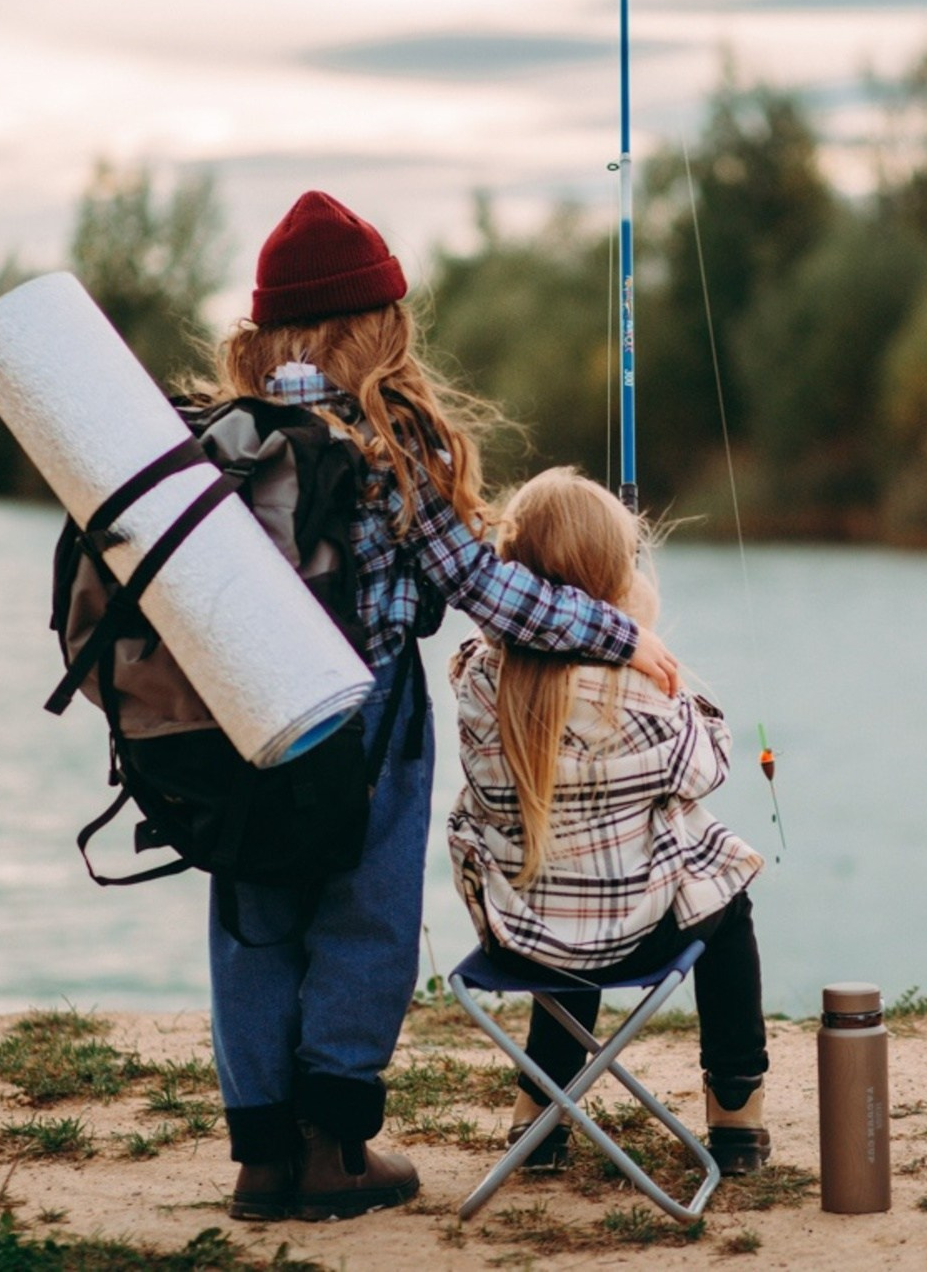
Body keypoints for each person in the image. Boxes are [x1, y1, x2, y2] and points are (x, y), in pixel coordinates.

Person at [206, 193, 680, 1223]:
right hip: (364, 718)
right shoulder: (384, 442)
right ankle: (333, 1146)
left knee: (254, 918)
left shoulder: (223, 442)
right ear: (367, 329)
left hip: (244, 719)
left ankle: (262, 1155)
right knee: (362, 913)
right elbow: (485, 589)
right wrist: (619, 634)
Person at [445, 468, 772, 1176]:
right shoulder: (636, 691)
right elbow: (708, 767)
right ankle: (737, 1112)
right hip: (631, 933)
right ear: (612, 586)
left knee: (567, 888)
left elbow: (503, 656)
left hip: (519, 933)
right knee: (726, 896)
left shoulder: (475, 678)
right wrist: (650, 649)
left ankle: (539, 1115)